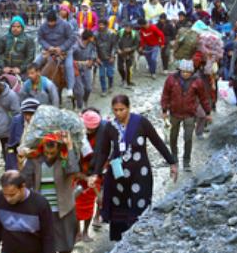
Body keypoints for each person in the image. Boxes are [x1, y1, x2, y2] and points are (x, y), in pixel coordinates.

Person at [87, 95, 177, 241]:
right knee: (119, 203)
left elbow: (157, 142)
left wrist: (172, 163)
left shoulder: (141, 123)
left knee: (138, 201)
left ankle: (138, 238)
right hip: (118, 172)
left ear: (128, 108)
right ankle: (120, 241)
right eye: (115, 110)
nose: (118, 113)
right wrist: (95, 173)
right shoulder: (110, 127)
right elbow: (103, 152)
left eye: (121, 110)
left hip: (139, 172)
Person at [21, 133, 80, 253]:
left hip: (64, 208)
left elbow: (73, 171)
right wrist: (21, 160)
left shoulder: (64, 159)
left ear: (59, 149)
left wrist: (70, 146)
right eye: (46, 152)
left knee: (67, 241)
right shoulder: (34, 160)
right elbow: (25, 181)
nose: (49, 155)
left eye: (52, 152)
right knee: (46, 241)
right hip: (42, 210)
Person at [0, 171, 56, 253]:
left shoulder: (40, 204)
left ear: (22, 187)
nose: (8, 199)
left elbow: (49, 238)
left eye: (12, 194)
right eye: (5, 194)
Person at [160, 60, 212, 171]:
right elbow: (165, 95)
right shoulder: (171, 79)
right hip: (174, 113)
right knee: (173, 137)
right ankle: (174, 157)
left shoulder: (197, 82)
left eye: (188, 72)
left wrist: (208, 112)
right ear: (180, 70)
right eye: (183, 72)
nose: (185, 74)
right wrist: (164, 110)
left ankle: (186, 161)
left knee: (188, 138)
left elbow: (203, 98)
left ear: (192, 72)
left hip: (190, 114)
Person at [75, 109, 103, 243]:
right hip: (78, 174)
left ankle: (85, 231)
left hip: (93, 174)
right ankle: (77, 232)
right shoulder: (76, 136)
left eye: (92, 130)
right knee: (74, 205)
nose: (89, 132)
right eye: (87, 129)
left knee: (89, 206)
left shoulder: (101, 137)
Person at [36, 11, 77, 98]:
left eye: (52, 22)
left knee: (69, 66)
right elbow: (40, 38)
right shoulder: (43, 26)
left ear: (56, 20)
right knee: (36, 62)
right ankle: (32, 83)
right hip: (49, 51)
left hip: (64, 51)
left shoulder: (65, 25)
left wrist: (61, 48)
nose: (50, 24)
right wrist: (48, 47)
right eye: (49, 22)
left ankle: (70, 89)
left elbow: (72, 38)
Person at [5, 98, 41, 171]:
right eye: (25, 113)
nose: (28, 117)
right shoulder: (16, 121)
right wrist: (14, 167)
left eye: (31, 114)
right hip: (19, 159)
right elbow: (10, 148)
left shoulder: (43, 124)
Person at [72, 30, 97, 110]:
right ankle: (79, 106)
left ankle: (85, 101)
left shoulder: (91, 44)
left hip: (87, 68)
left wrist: (92, 60)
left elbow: (94, 52)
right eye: (92, 37)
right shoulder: (75, 46)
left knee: (88, 88)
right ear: (88, 38)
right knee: (79, 91)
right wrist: (79, 63)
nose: (93, 38)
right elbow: (69, 58)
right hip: (76, 69)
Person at [95, 19, 118, 97]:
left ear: (106, 25)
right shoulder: (96, 34)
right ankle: (104, 89)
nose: (101, 26)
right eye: (100, 24)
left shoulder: (112, 34)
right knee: (101, 75)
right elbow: (94, 47)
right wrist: (96, 57)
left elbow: (114, 46)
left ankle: (110, 85)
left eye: (102, 24)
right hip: (100, 58)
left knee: (110, 74)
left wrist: (112, 56)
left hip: (109, 57)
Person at [116, 22, 139, 87]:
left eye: (129, 28)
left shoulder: (135, 34)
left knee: (128, 68)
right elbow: (115, 42)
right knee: (120, 68)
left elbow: (136, 45)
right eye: (126, 28)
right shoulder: (120, 32)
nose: (127, 29)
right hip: (121, 52)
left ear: (131, 29)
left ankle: (128, 81)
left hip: (130, 53)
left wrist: (131, 49)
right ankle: (123, 78)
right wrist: (117, 49)